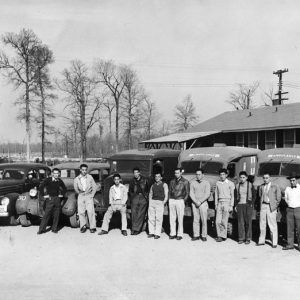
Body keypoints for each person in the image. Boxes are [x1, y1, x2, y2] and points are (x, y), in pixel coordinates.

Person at [37, 168, 66, 234]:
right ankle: (41, 229)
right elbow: (41, 187)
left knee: (56, 215)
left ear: (59, 174)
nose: (56, 175)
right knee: (46, 214)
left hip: (57, 199)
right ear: (52, 174)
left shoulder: (59, 181)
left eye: (57, 173)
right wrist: (44, 195)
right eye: (55, 173)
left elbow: (64, 188)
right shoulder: (48, 180)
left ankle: (54, 229)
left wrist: (61, 195)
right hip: (50, 199)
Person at [257, 172, 281, 248]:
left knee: (272, 225)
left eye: (267, 178)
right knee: (262, 224)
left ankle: (274, 242)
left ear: (269, 178)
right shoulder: (261, 187)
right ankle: (261, 241)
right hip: (263, 206)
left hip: (271, 207)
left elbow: (278, 197)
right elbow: (260, 196)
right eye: (264, 178)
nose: (265, 179)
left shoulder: (275, 186)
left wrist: (274, 206)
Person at [74, 164, 97, 233]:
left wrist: (92, 195)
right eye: (83, 170)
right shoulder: (77, 179)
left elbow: (94, 187)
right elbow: (76, 189)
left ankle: (92, 227)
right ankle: (83, 226)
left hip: (88, 196)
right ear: (80, 170)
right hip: (81, 196)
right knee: (81, 212)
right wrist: (80, 194)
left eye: (85, 170)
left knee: (90, 211)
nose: (84, 171)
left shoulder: (90, 177)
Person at [189, 168, 211, 242]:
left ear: (203, 175)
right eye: (197, 174)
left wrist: (200, 202)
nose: (198, 176)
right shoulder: (193, 183)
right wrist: (195, 202)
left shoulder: (206, 183)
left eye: (199, 174)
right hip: (194, 203)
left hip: (203, 203)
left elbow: (207, 194)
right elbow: (191, 193)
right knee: (195, 220)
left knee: (204, 220)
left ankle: (204, 235)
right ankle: (196, 235)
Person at [234, 171, 255, 245]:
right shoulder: (237, 186)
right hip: (240, 205)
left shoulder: (250, 185)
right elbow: (235, 196)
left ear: (246, 178)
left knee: (248, 222)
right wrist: (236, 205)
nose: (242, 179)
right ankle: (241, 238)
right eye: (241, 177)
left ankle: (248, 238)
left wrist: (251, 204)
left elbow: (254, 196)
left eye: (243, 177)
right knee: (240, 222)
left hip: (248, 205)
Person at [168, 168, 189, 240]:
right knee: (172, 218)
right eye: (175, 173)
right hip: (172, 200)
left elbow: (187, 193)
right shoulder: (172, 181)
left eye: (177, 173)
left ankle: (180, 234)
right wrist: (169, 200)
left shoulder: (185, 181)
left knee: (180, 218)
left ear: (181, 173)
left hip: (180, 200)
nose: (176, 174)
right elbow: (169, 191)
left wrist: (183, 200)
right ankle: (172, 233)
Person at [215, 168, 235, 242]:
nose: (222, 176)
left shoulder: (230, 183)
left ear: (226, 175)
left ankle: (223, 236)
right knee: (217, 221)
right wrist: (216, 204)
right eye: (221, 174)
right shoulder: (217, 183)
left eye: (223, 174)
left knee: (224, 220)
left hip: (227, 202)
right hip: (220, 202)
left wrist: (231, 205)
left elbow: (232, 195)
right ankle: (219, 235)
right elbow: (216, 194)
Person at [129, 167, 150, 235]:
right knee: (134, 213)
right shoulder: (132, 181)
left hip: (143, 197)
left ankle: (137, 229)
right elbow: (130, 190)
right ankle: (133, 228)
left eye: (137, 172)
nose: (135, 174)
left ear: (139, 173)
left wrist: (146, 198)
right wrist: (132, 198)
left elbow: (148, 189)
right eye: (134, 173)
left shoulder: (145, 180)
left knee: (140, 214)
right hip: (135, 197)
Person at [148, 172, 168, 239]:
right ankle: (151, 232)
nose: (157, 178)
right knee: (151, 218)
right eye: (156, 176)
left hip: (160, 202)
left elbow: (166, 195)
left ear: (161, 178)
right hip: (152, 202)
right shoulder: (153, 185)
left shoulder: (164, 185)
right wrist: (150, 201)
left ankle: (157, 233)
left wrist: (164, 202)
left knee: (158, 218)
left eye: (158, 176)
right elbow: (150, 194)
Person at [283, 172, 300, 250]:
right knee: (290, 228)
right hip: (289, 209)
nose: (292, 182)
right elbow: (286, 198)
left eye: (293, 180)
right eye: (291, 180)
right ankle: (290, 244)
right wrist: (289, 204)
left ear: (297, 180)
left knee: (299, 228)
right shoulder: (287, 189)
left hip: (298, 209)